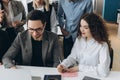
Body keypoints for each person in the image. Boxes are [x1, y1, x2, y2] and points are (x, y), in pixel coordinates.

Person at [57, 13, 110, 77]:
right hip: (79, 75)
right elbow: (73, 57)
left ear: (94, 28)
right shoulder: (79, 40)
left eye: (86, 27)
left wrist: (79, 68)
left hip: (94, 77)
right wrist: (63, 64)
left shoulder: (102, 45)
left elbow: (103, 71)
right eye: (81, 26)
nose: (82, 29)